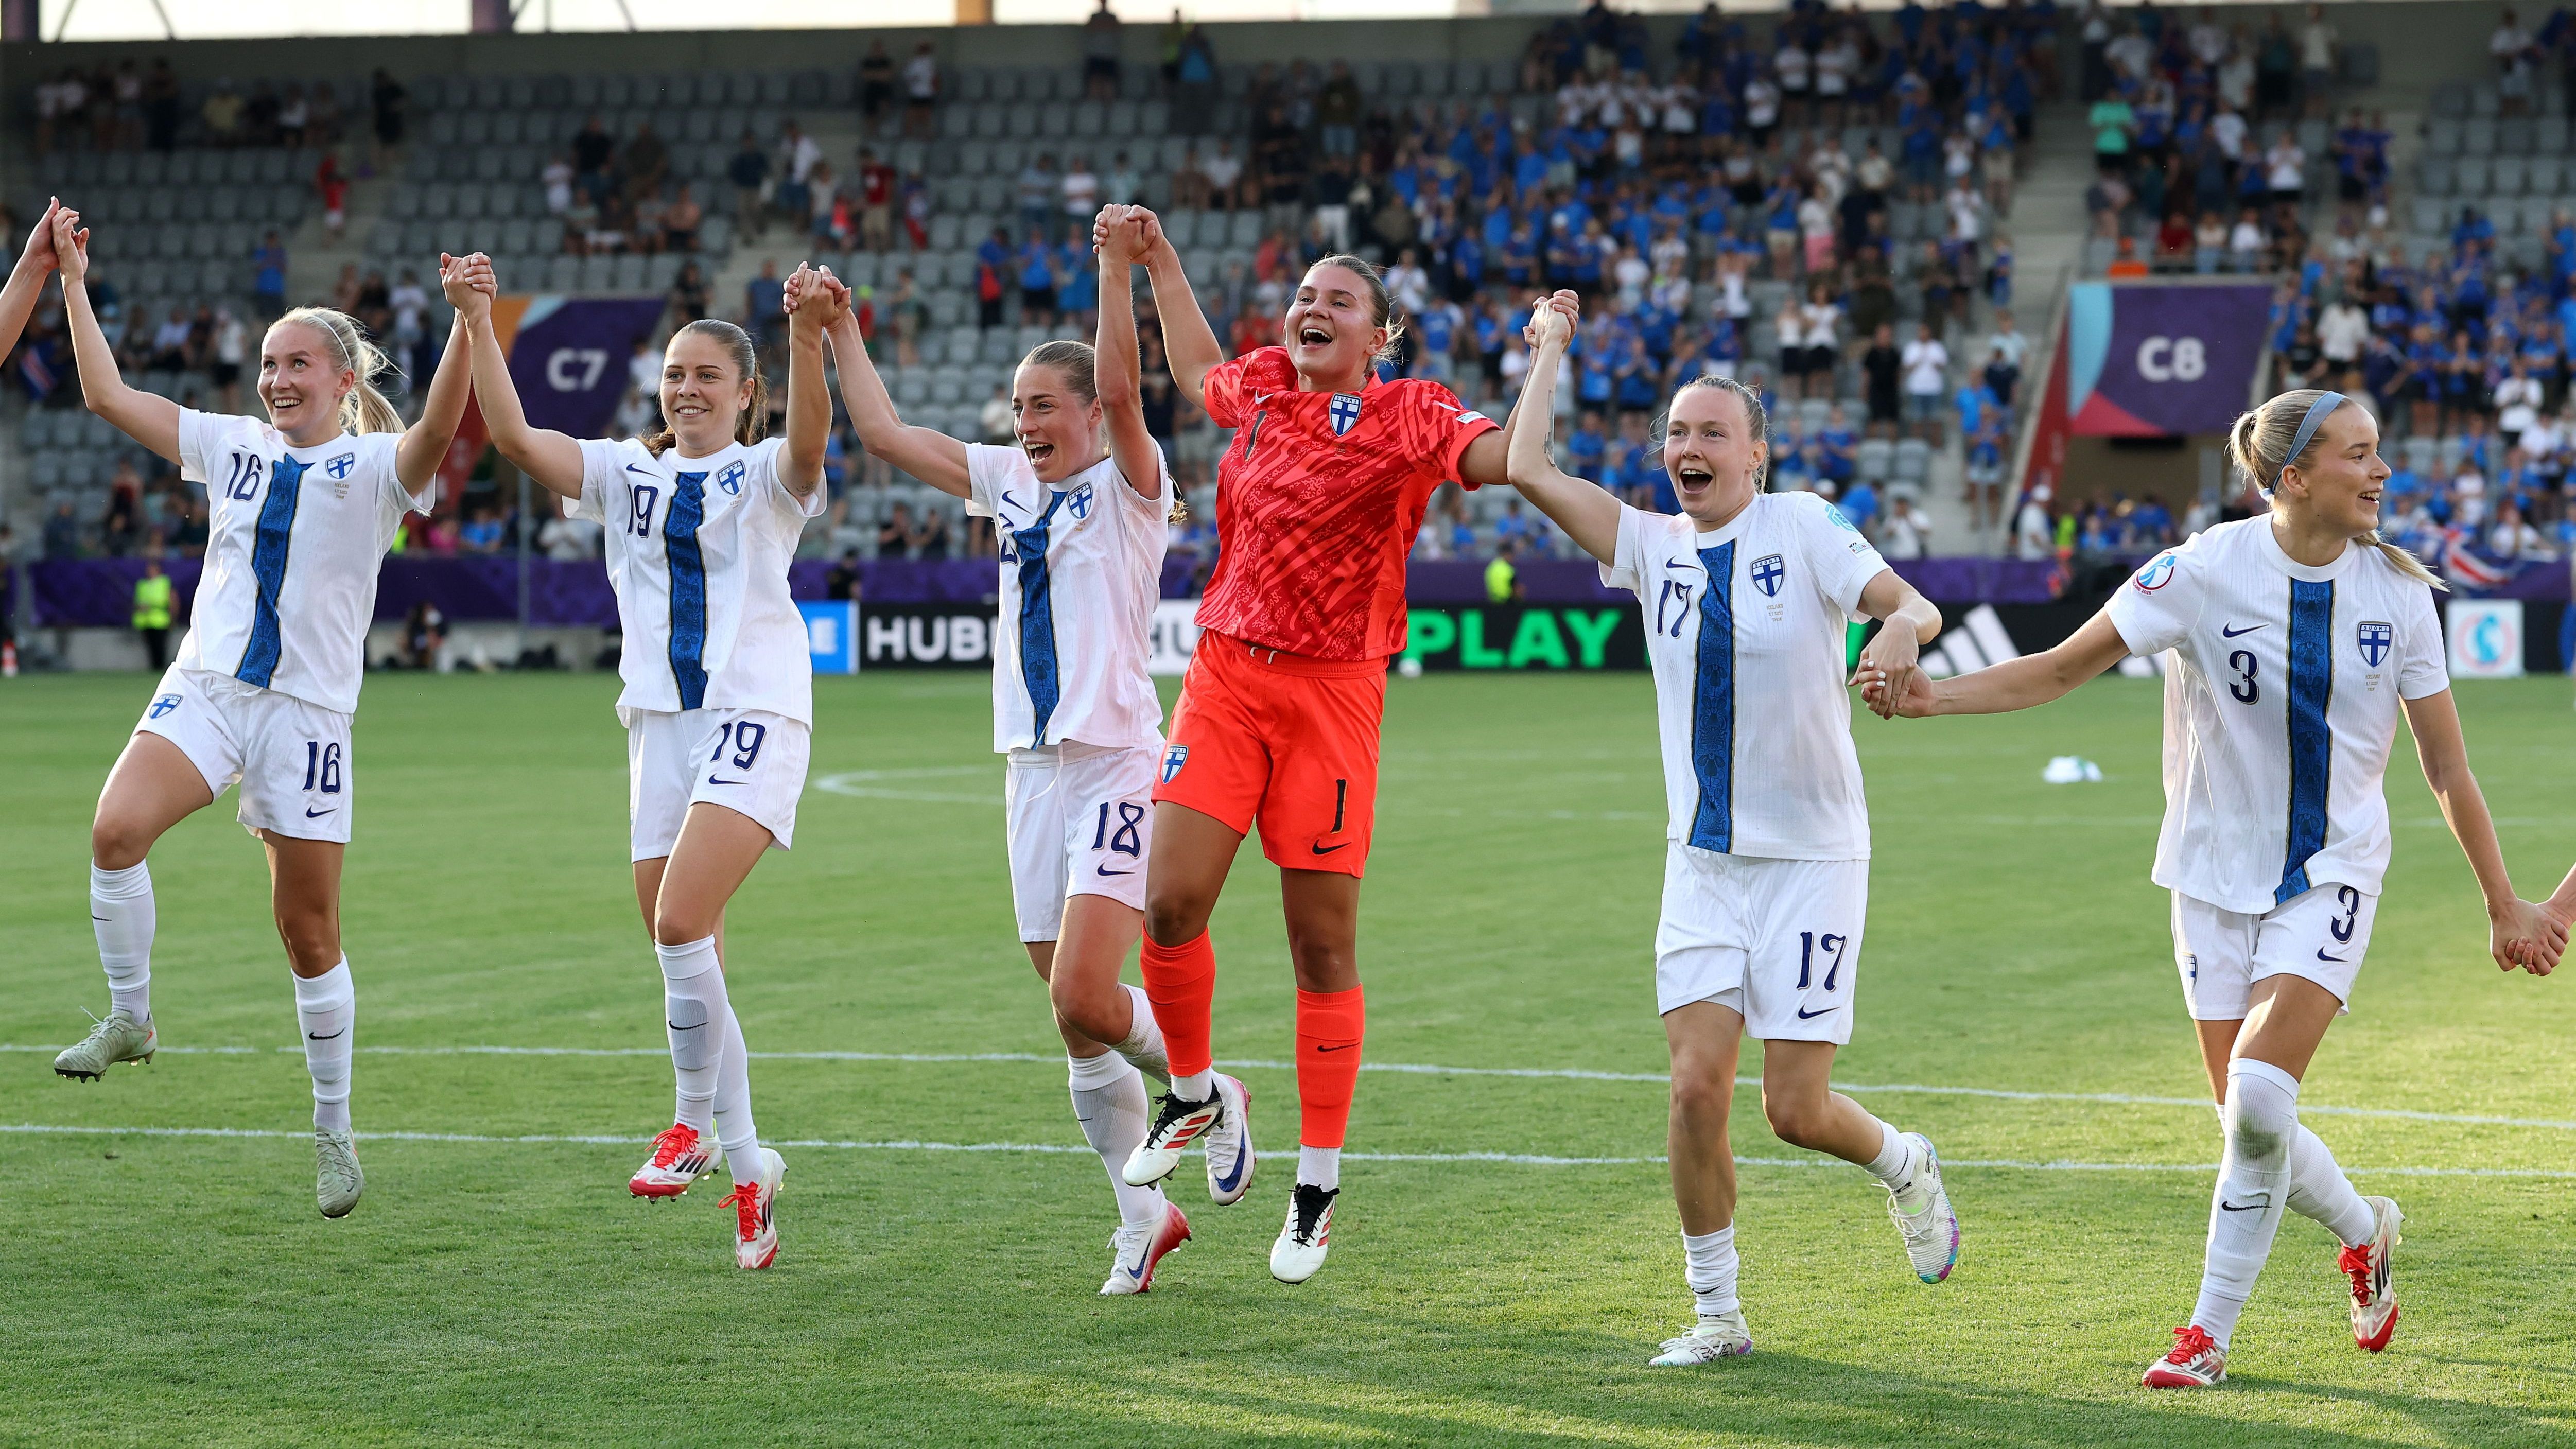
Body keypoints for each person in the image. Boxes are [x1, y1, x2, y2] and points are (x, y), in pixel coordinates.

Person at [1860, 389, 2565, 1389]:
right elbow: (2064, 670)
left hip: (2332, 869)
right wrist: (1936, 701)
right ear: (2293, 479)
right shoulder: (2200, 571)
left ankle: (2206, 1334)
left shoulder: (2400, 596)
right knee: (2249, 1121)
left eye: (2379, 455)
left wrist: (2504, 901)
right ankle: (2366, 1232)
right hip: (2206, 876)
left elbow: (2445, 767)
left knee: (2261, 1097)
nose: (2382, 474)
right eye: (2359, 457)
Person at [1508, 290, 1958, 1367]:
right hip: (1702, 867)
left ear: (1758, 451)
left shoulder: (1800, 524)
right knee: (1693, 1086)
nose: (1689, 447)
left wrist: (1896, 629)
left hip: (1812, 860)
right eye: (1676, 432)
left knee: (1794, 1110)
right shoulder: (1652, 546)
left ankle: (1904, 1162)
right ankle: (1718, 1313)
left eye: (1712, 431)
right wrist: (1552, 348)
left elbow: (1914, 606)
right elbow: (1528, 468)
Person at [796, 210, 1227, 1295]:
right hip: (1031, 765)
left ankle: (1208, 1087)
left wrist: (1112, 268)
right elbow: (891, 437)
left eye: (1045, 405)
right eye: (1020, 407)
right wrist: (842, 329)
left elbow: (1131, 393)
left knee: (1087, 993)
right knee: (1070, 1011)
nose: (1027, 421)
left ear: (1087, 409)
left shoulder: (1133, 487)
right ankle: (1144, 1217)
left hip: (1118, 756)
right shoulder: (1007, 479)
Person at [1103, 207, 1534, 1285]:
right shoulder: (1255, 388)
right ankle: (1201, 1095)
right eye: (1305, 294)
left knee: (1321, 950)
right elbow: (1198, 362)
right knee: (1168, 905)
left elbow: (1514, 459)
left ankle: (1318, 1185)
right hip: (1226, 677)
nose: (1312, 307)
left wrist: (1550, 358)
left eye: (1339, 301)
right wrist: (1160, 259)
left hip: (1335, 696)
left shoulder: (1410, 413)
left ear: (1379, 336)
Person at [45, 213, 473, 1225]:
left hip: (309, 718)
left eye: (297, 365)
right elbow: (105, 393)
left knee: (308, 933)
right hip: (209, 690)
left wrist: (469, 323)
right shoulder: (229, 446)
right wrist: (72, 278)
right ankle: (133, 1018)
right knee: (114, 831)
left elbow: (442, 430)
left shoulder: (375, 471)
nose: (276, 379)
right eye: (268, 363)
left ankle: (333, 1128)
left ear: (340, 379)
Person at [454, 253, 838, 1272]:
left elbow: (811, 441)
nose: (687, 388)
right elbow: (514, 438)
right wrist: (479, 320)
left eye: (708, 375)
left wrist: (806, 336)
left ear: (745, 392)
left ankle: (716, 1140)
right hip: (656, 727)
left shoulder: (766, 477)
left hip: (755, 710)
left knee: (680, 921)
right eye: (675, 373)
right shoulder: (628, 470)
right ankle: (728, 1147)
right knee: (688, 950)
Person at [132, 555, 172, 671]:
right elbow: (137, 601)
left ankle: (160, 667)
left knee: (160, 646)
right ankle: (154, 667)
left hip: (160, 619)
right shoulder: (142, 584)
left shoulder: (164, 582)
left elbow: (172, 599)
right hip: (146, 621)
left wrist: (173, 617)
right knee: (151, 646)